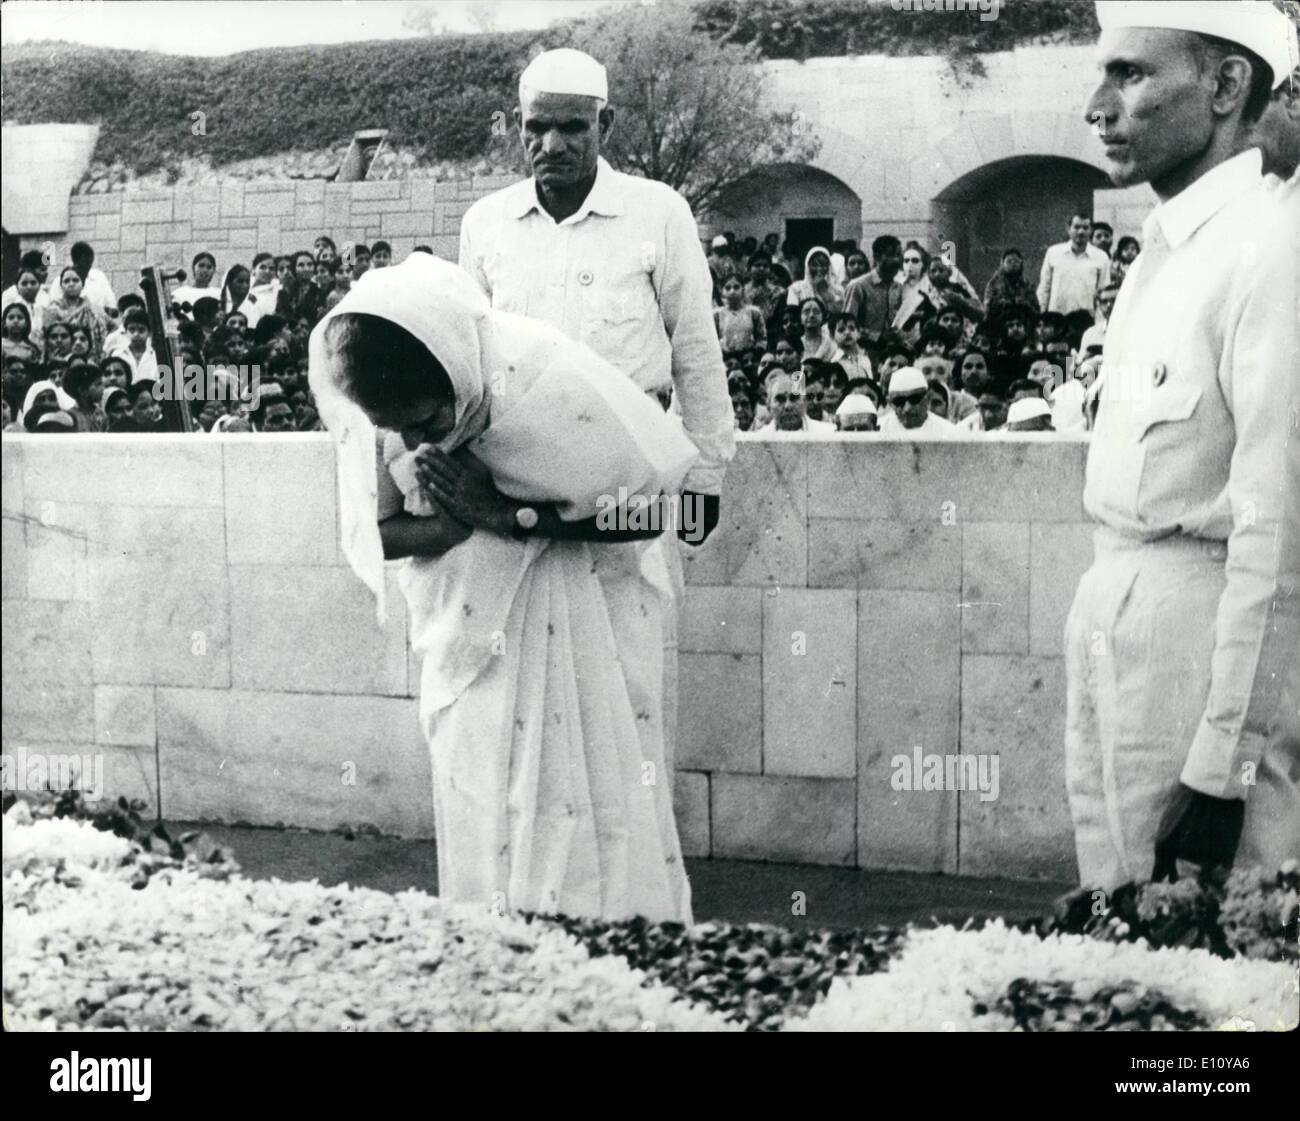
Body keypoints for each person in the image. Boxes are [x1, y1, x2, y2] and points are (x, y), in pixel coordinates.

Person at [310, 252, 697, 922]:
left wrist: (510, 514)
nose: (407, 438)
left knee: (571, 805)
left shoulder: (543, 376)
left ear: (457, 372)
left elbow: (657, 510)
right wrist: (446, 529)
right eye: (392, 426)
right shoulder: (384, 409)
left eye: (428, 423)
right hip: (466, 643)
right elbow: (375, 534)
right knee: (484, 804)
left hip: (574, 623)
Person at [1066, 0, 1300, 891]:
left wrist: (1226, 765)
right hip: (1117, 620)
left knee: (1209, 974)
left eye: (1130, 74)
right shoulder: (1168, 249)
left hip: (1207, 664)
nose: (1097, 105)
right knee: (1117, 923)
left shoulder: (1272, 251)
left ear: (1226, 85)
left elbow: (1278, 533)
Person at [458, 47, 733, 791]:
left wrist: (704, 476)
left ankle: (635, 874)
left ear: (605, 123)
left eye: (572, 127)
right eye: (536, 127)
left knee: (630, 683)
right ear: (518, 128)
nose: (553, 145)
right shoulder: (486, 225)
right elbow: (471, 366)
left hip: (628, 488)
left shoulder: (658, 212)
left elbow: (696, 352)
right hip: (519, 491)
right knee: (531, 690)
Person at [1037, 213, 1109, 315]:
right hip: (1057, 318)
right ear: (1068, 229)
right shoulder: (1053, 253)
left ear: (1091, 230)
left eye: (1085, 228)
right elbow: (1044, 288)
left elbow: (1103, 292)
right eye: (1076, 227)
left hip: (1086, 319)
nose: (1080, 232)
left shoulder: (1101, 257)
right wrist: (1043, 314)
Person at [842, 235, 904, 350]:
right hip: (863, 353)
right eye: (890, 255)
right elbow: (847, 326)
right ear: (877, 257)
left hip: (891, 354)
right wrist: (877, 337)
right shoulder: (858, 286)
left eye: (898, 255)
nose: (896, 260)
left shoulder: (898, 288)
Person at [43, 266, 106, 360]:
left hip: (89, 359)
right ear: (61, 285)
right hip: (60, 359)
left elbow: (112, 327)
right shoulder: (53, 309)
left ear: (83, 284)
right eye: (66, 281)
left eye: (75, 280)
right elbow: (46, 338)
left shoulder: (93, 309)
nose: (71, 284)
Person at [750, 368, 835, 437]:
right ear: (769, 405)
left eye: (794, 398)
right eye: (780, 399)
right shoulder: (759, 439)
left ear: (804, 401)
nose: (788, 406)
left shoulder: (828, 434)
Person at [878, 366, 956, 436]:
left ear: (926, 399)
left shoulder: (948, 432)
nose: (907, 408)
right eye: (899, 401)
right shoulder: (879, 429)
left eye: (914, 399)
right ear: (890, 403)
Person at [983, 248, 1041, 318]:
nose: (1013, 264)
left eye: (1016, 261)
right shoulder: (993, 284)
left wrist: (1025, 304)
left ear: (1021, 263)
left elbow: (1037, 313)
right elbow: (987, 312)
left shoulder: (1027, 285)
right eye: (1009, 261)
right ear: (1002, 263)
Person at [786, 246, 844, 311]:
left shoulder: (838, 290)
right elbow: (792, 313)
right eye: (814, 265)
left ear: (828, 267)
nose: (819, 269)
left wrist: (824, 293)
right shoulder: (796, 288)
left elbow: (839, 314)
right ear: (808, 266)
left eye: (823, 265)